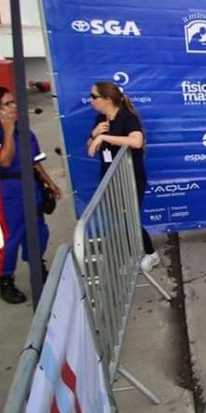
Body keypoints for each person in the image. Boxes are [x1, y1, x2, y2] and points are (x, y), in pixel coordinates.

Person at [0, 86, 62, 304]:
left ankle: (37, 267)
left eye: (14, 102)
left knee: (38, 231)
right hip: (5, 191)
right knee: (8, 238)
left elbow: (34, 161)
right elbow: (4, 160)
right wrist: (8, 130)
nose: (14, 107)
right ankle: (5, 279)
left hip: (31, 187)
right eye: (8, 104)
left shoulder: (25, 130)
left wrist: (49, 183)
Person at [87, 81, 158, 271]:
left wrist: (104, 138)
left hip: (132, 177)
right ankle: (132, 253)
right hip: (110, 178)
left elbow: (136, 141)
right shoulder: (100, 120)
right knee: (121, 218)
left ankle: (151, 253)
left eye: (94, 97)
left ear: (107, 99)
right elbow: (91, 149)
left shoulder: (127, 118)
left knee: (130, 218)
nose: (90, 100)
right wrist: (94, 135)